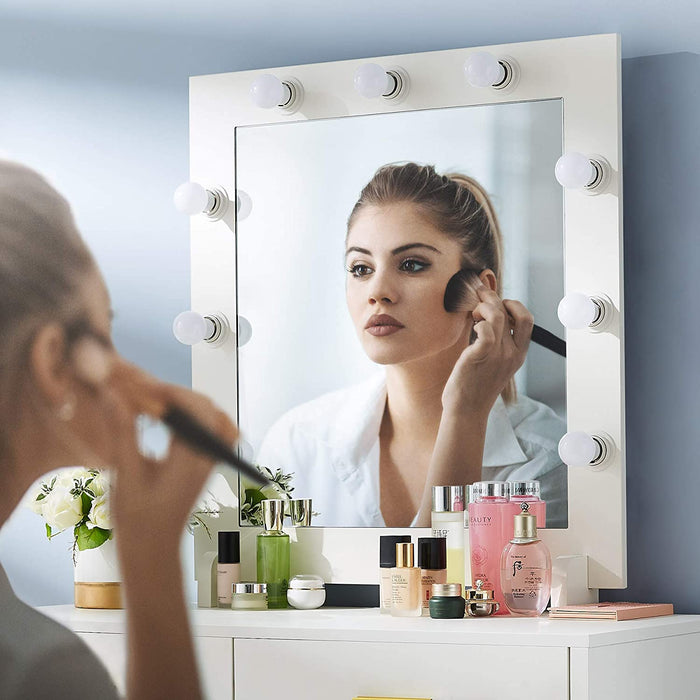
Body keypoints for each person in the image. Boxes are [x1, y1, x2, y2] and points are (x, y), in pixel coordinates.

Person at [0, 160, 238, 700]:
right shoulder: (38, 669)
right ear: (55, 360)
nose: (129, 371)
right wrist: (151, 555)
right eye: (105, 333)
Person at [258, 162, 567, 528]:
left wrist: (465, 415)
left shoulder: (545, 461)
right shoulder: (298, 443)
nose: (378, 292)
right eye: (360, 268)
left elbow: (433, 585)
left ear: (481, 290)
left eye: (411, 264)